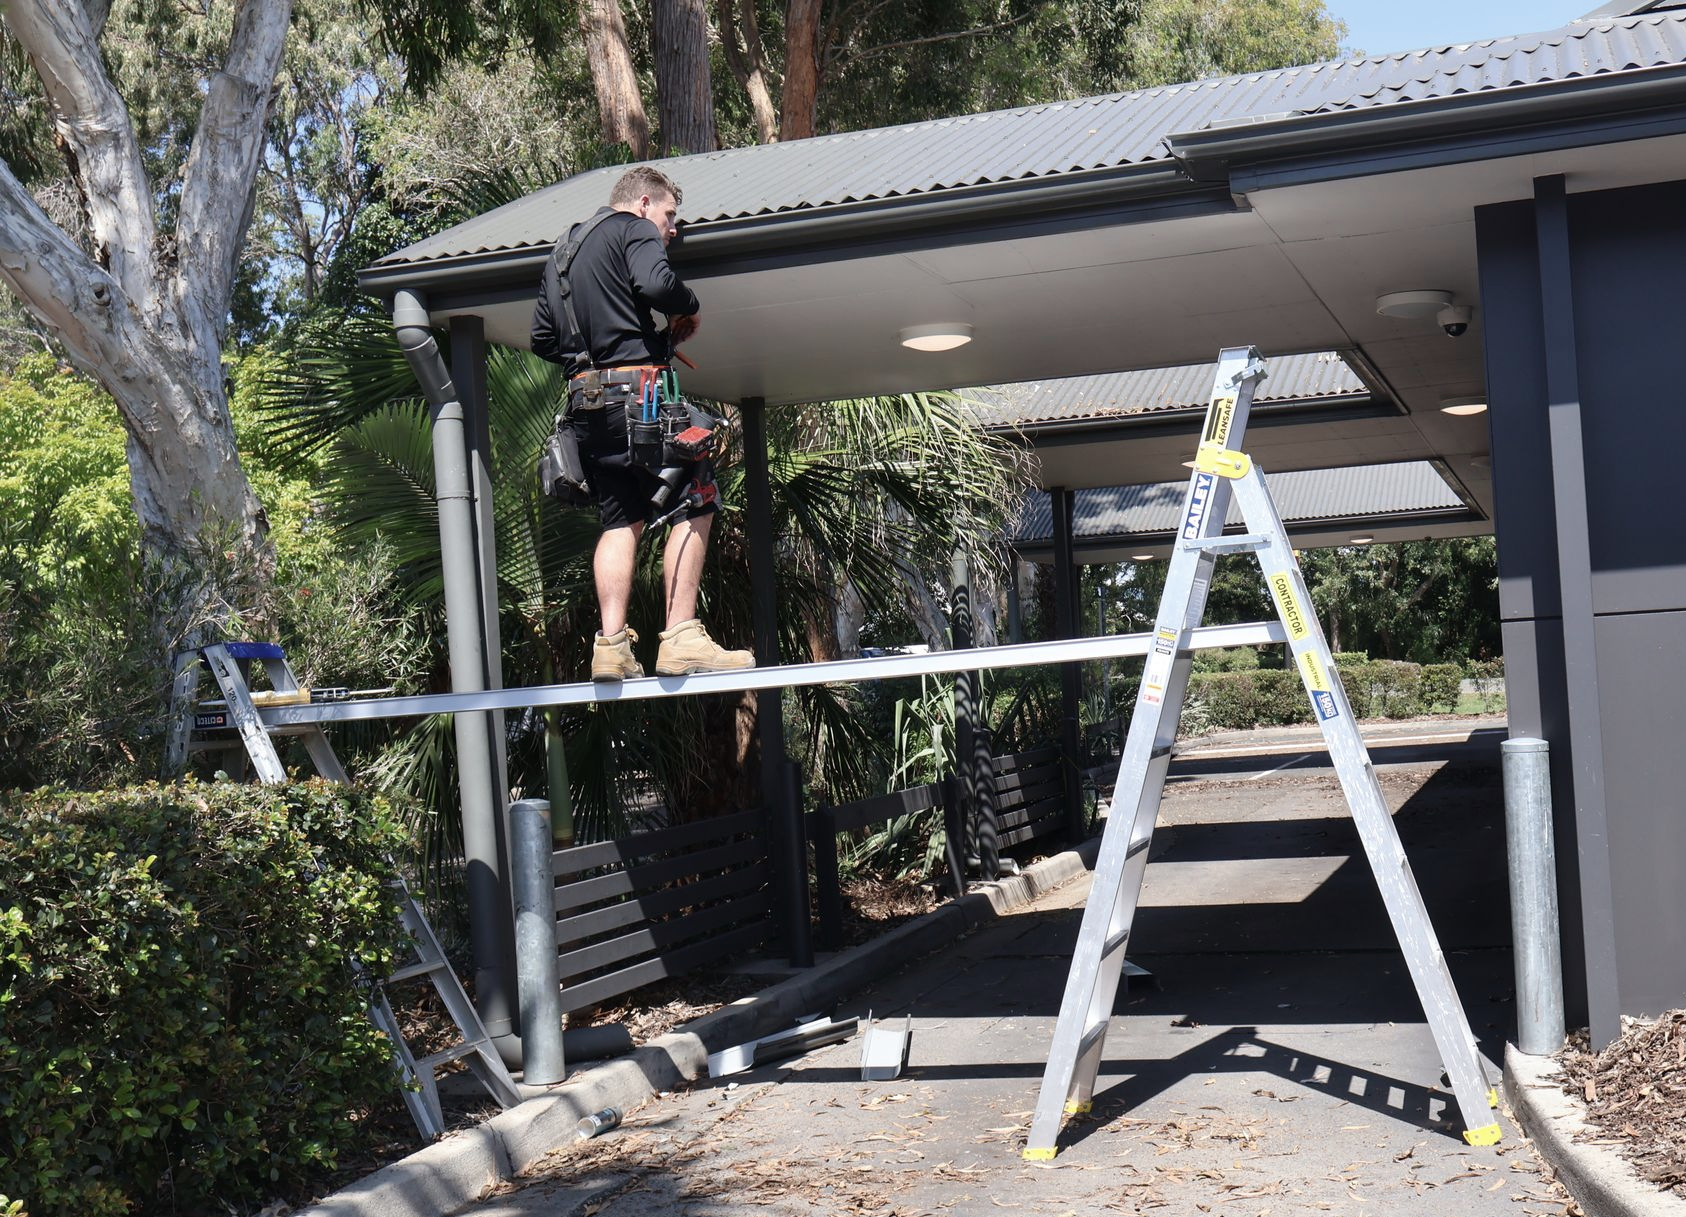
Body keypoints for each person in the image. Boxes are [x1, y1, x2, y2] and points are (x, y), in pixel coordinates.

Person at [533, 166, 754, 682]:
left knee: (619, 520)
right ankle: (680, 635)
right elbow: (656, 282)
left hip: (586, 409)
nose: (671, 230)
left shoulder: (562, 252)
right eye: (670, 216)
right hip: (639, 398)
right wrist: (690, 307)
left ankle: (610, 646)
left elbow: (544, 337)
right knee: (697, 492)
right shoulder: (632, 228)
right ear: (643, 202)